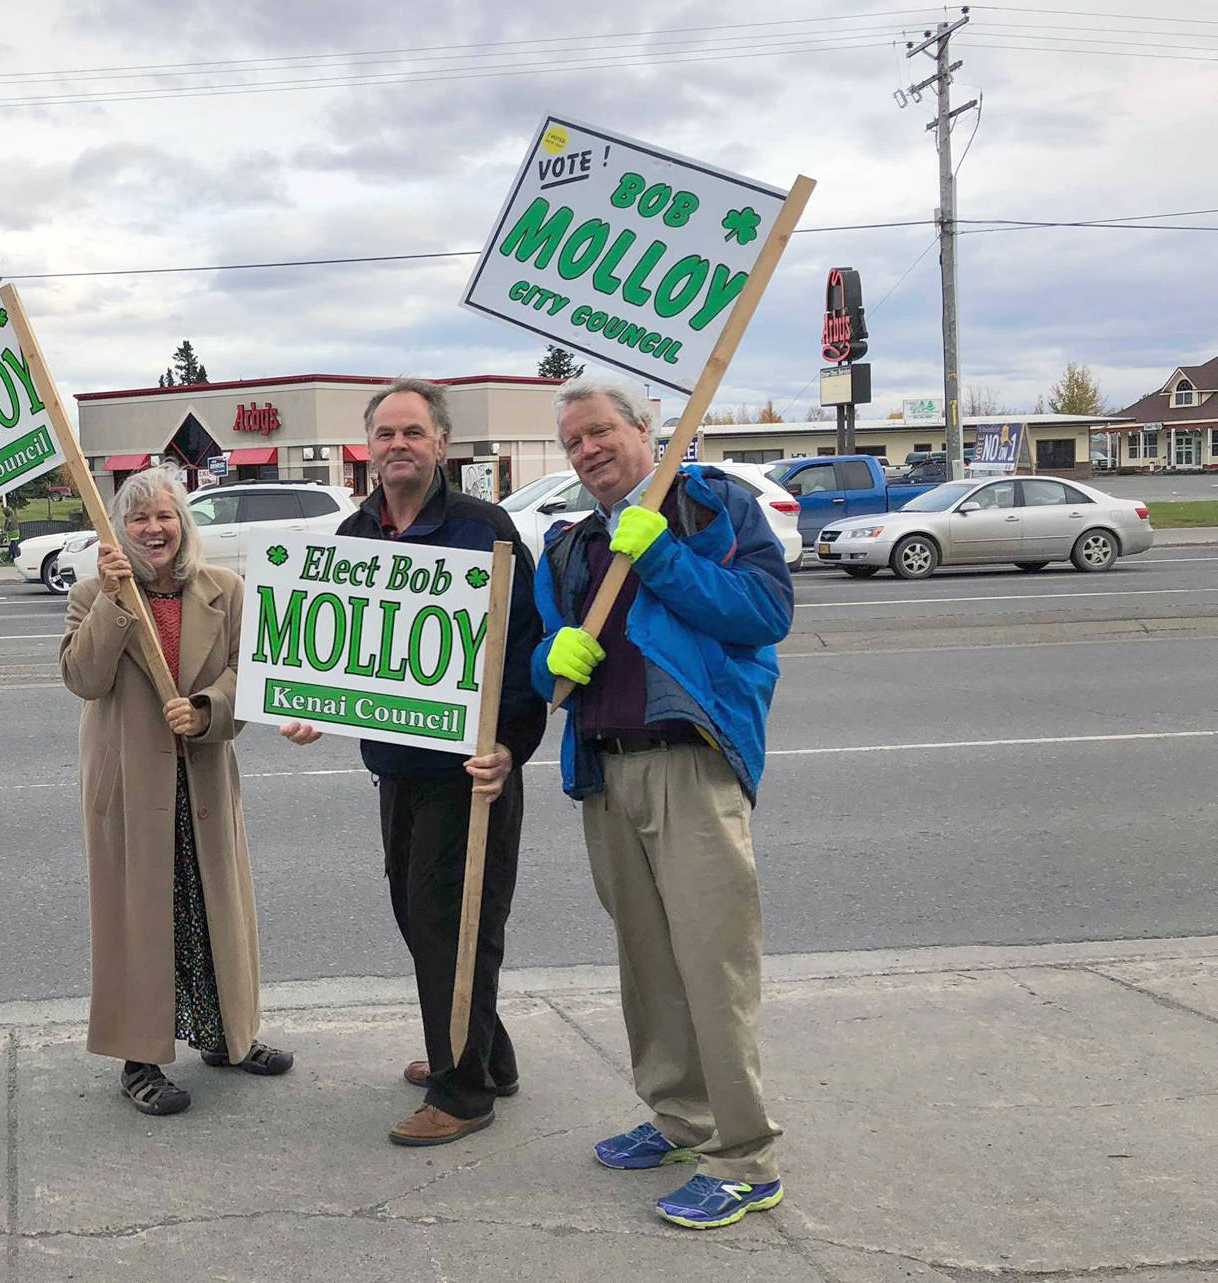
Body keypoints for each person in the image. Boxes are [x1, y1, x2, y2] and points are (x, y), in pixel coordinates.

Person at [530, 376, 793, 1229]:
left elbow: (763, 612)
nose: (588, 450)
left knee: (713, 964)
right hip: (606, 772)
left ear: (646, 430)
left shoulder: (711, 508)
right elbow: (540, 658)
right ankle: (681, 1117)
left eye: (601, 431)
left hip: (689, 764)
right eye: (573, 442)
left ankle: (745, 1157)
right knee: (648, 962)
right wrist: (549, 665)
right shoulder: (568, 547)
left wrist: (663, 558)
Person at [279, 378, 544, 1147]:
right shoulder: (356, 532)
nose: (399, 444)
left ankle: (463, 1093)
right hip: (396, 767)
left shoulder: (482, 527)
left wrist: (510, 747)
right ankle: (485, 1056)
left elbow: (524, 648)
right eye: (385, 433)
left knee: (457, 925)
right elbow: (347, 656)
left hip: (471, 774)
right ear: (369, 446)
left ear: (440, 445)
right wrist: (316, 708)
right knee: (416, 914)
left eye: (413, 432)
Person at [60, 468, 292, 1115]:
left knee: (214, 906)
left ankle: (229, 1036)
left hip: (204, 777)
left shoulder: (227, 589)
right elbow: (82, 674)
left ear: (184, 523)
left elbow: (251, 674)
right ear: (118, 530)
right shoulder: (90, 595)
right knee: (141, 918)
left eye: (164, 515)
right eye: (137, 519)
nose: (152, 528)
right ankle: (139, 1057)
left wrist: (207, 707)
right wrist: (112, 600)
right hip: (131, 784)